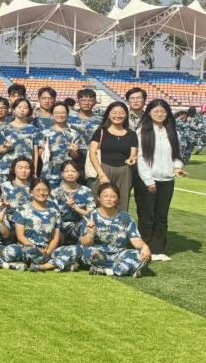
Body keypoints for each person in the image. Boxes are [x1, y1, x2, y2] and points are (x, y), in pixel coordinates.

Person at [135, 99, 186, 260]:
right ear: (149, 113)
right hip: (148, 180)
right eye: (156, 111)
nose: (159, 114)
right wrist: (148, 180)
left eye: (163, 112)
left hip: (167, 180)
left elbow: (177, 155)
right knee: (147, 215)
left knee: (162, 216)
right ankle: (146, 248)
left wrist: (177, 167)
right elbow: (140, 158)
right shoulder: (142, 132)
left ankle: (159, 249)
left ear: (168, 114)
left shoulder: (173, 132)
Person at [79, 183, 152, 277]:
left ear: (118, 199)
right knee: (89, 252)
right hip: (99, 254)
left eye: (113, 196)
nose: (109, 199)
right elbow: (84, 243)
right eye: (105, 196)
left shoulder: (125, 217)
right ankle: (125, 269)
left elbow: (136, 239)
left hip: (119, 255)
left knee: (143, 256)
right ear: (98, 198)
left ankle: (107, 271)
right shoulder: (90, 217)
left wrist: (145, 247)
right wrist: (90, 233)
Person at [88, 102, 139, 212]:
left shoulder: (132, 134)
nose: (118, 115)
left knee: (121, 204)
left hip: (124, 172)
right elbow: (92, 153)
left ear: (126, 115)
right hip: (103, 170)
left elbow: (133, 154)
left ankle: (120, 223)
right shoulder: (100, 131)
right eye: (114, 113)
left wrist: (131, 159)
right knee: (98, 202)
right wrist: (101, 175)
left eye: (121, 113)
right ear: (108, 114)